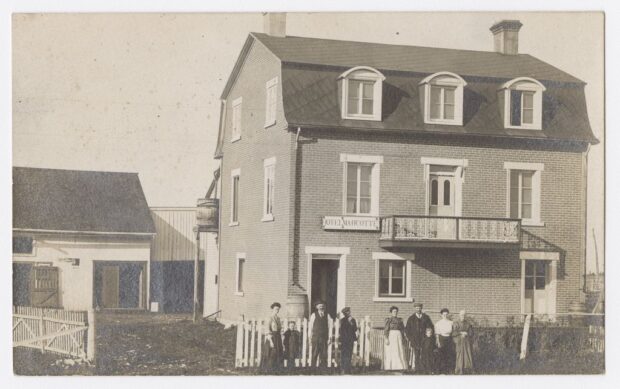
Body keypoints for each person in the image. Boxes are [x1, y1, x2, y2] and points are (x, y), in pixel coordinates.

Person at [405, 302, 434, 371]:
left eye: (419, 308)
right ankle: (417, 369)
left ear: (421, 308)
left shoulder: (426, 317)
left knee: (425, 353)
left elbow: (430, 327)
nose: (418, 309)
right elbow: (407, 330)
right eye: (417, 308)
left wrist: (429, 334)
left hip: (425, 339)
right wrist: (411, 338)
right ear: (415, 309)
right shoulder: (411, 318)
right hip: (415, 339)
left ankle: (424, 368)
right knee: (417, 354)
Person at [383, 306, 407, 371]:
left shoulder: (400, 320)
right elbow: (386, 330)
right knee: (392, 351)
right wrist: (386, 338)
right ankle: (390, 367)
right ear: (391, 312)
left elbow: (402, 329)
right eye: (394, 311)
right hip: (391, 336)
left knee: (399, 350)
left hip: (398, 336)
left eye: (396, 311)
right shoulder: (389, 320)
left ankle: (399, 366)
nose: (395, 313)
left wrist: (404, 337)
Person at [308, 301, 331, 368]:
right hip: (315, 338)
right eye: (319, 305)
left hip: (324, 338)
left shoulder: (327, 315)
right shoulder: (313, 315)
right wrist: (310, 337)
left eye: (322, 305)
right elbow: (310, 327)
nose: (321, 307)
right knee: (314, 354)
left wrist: (329, 338)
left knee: (324, 354)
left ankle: (323, 369)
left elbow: (330, 327)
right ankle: (313, 369)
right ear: (317, 307)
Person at [262, 302, 284, 371]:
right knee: (271, 354)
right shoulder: (269, 318)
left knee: (278, 353)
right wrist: (271, 341)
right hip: (272, 338)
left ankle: (276, 369)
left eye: (278, 309)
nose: (277, 311)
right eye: (275, 309)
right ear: (272, 309)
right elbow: (267, 330)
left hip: (278, 338)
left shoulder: (278, 318)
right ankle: (269, 369)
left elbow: (280, 329)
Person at [452, 310, 474, 375]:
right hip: (459, 341)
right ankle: (459, 370)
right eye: (462, 315)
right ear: (459, 315)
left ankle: (467, 370)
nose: (463, 316)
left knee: (467, 355)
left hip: (466, 342)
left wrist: (466, 333)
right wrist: (460, 333)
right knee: (459, 355)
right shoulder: (456, 323)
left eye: (464, 315)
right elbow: (453, 333)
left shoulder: (468, 323)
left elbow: (471, 333)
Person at [434, 308, 455, 374]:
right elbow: (437, 334)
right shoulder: (438, 323)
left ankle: (448, 370)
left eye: (446, 314)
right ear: (441, 315)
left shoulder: (451, 322)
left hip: (449, 338)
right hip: (441, 338)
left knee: (449, 355)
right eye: (444, 315)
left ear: (448, 315)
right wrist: (438, 342)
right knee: (441, 355)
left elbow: (453, 332)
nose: (445, 316)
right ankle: (441, 370)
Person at [339, 306, 357, 374]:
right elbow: (341, 330)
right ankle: (343, 369)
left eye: (349, 311)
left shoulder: (353, 320)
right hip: (344, 340)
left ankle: (347, 370)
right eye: (347, 312)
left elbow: (355, 329)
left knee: (349, 354)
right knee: (344, 354)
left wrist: (351, 322)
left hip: (350, 340)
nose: (349, 313)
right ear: (345, 313)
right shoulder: (342, 320)